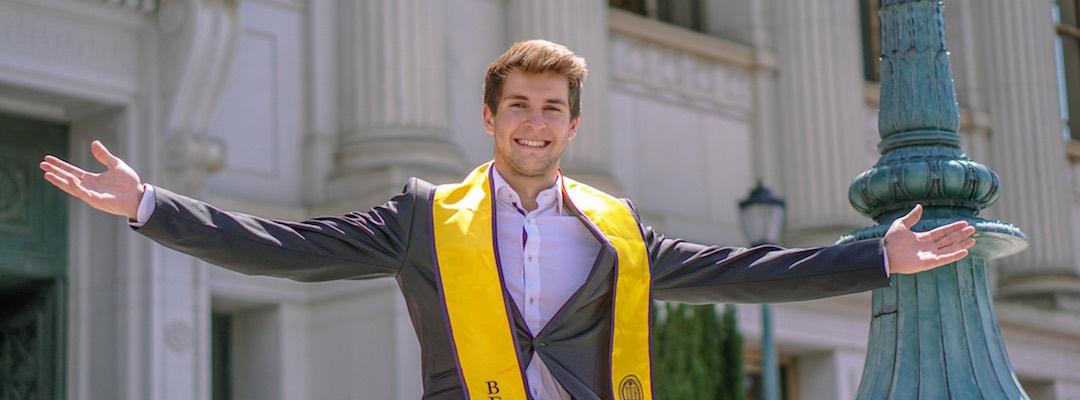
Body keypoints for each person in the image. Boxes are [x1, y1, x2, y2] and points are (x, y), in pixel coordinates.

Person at [39, 40, 975, 400]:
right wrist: (151, 206)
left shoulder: (615, 230)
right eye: (518, 106)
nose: (535, 123)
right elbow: (284, 249)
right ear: (490, 117)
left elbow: (744, 269)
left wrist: (876, 258)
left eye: (552, 109)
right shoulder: (424, 219)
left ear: (572, 124)